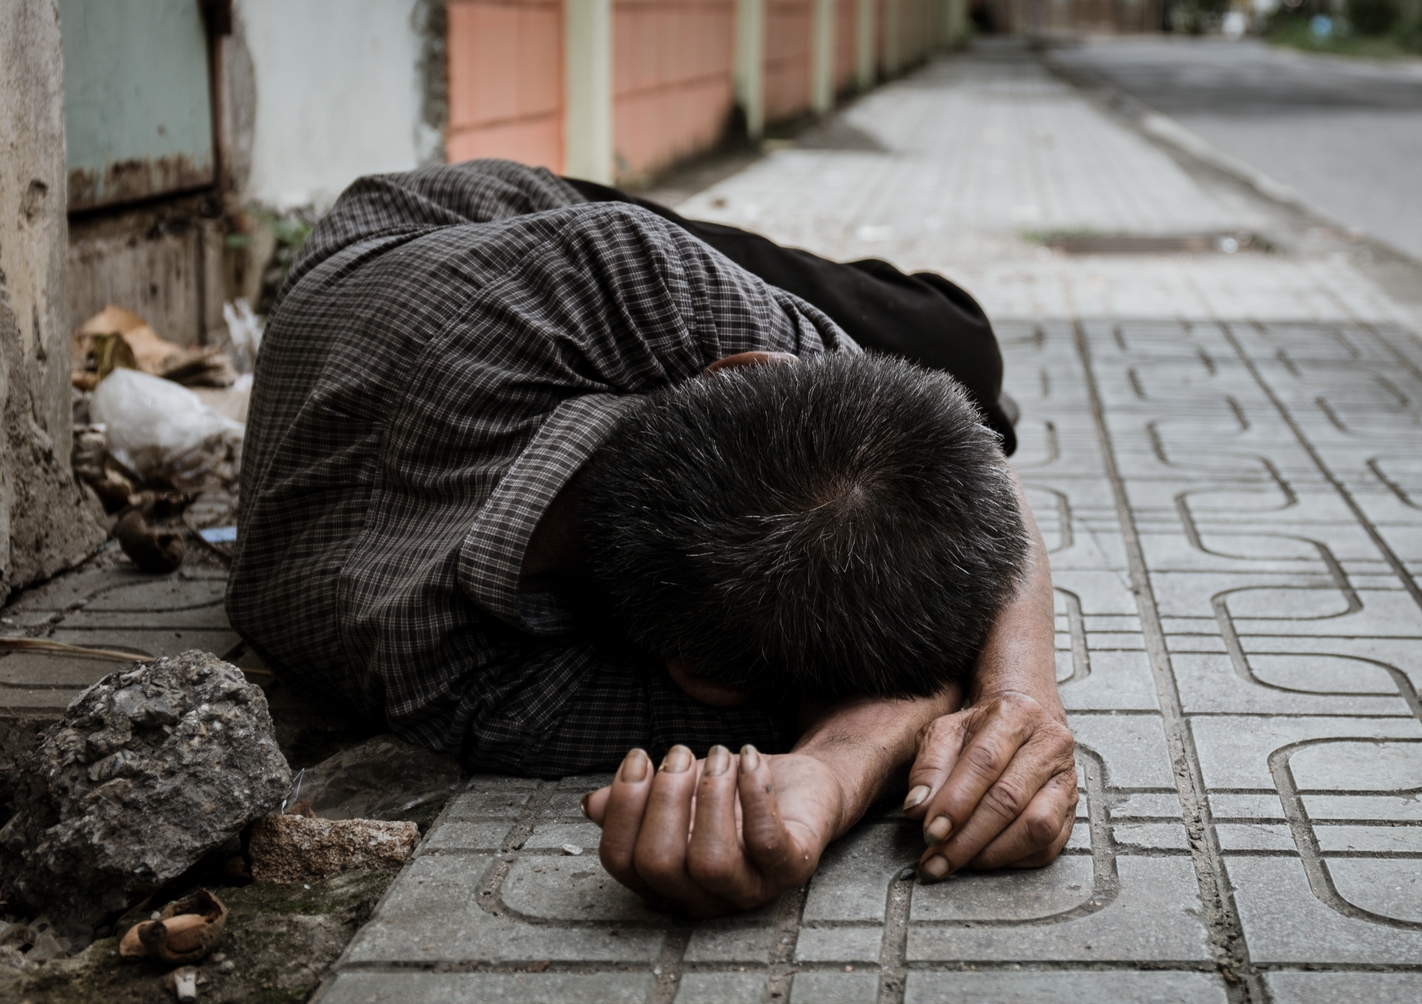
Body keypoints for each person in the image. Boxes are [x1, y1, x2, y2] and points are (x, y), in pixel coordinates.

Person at [227, 159, 1076, 916]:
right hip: (443, 275)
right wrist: (836, 770)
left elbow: (977, 481)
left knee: (961, 354)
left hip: (428, 227)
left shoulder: (624, 277)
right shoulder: (458, 685)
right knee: (962, 368)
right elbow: (868, 695)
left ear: (741, 366)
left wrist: (1019, 690)